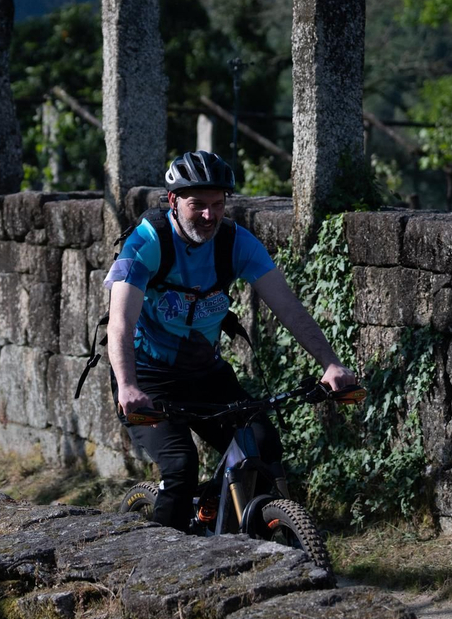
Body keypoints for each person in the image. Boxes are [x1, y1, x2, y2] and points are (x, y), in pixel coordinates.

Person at [105, 149, 358, 531]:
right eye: (198, 205)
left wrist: (331, 363)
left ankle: (226, 519)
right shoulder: (146, 243)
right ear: (173, 201)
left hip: (205, 373)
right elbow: (120, 322)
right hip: (147, 377)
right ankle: (156, 566)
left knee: (261, 443)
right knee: (180, 465)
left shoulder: (235, 243)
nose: (209, 216)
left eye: (218, 205)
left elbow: (289, 309)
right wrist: (127, 386)